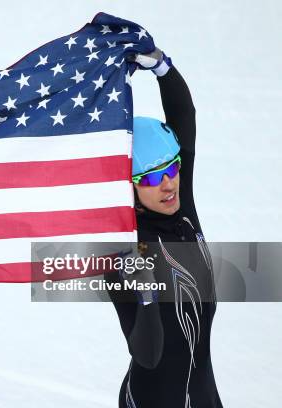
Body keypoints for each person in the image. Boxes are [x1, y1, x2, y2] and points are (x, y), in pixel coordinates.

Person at [106, 48, 224, 407]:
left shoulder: (181, 210)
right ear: (131, 187)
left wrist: (160, 65)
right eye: (152, 177)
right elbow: (149, 354)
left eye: (172, 168)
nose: (169, 183)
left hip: (203, 396)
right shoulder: (125, 248)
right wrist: (145, 298)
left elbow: (184, 117)